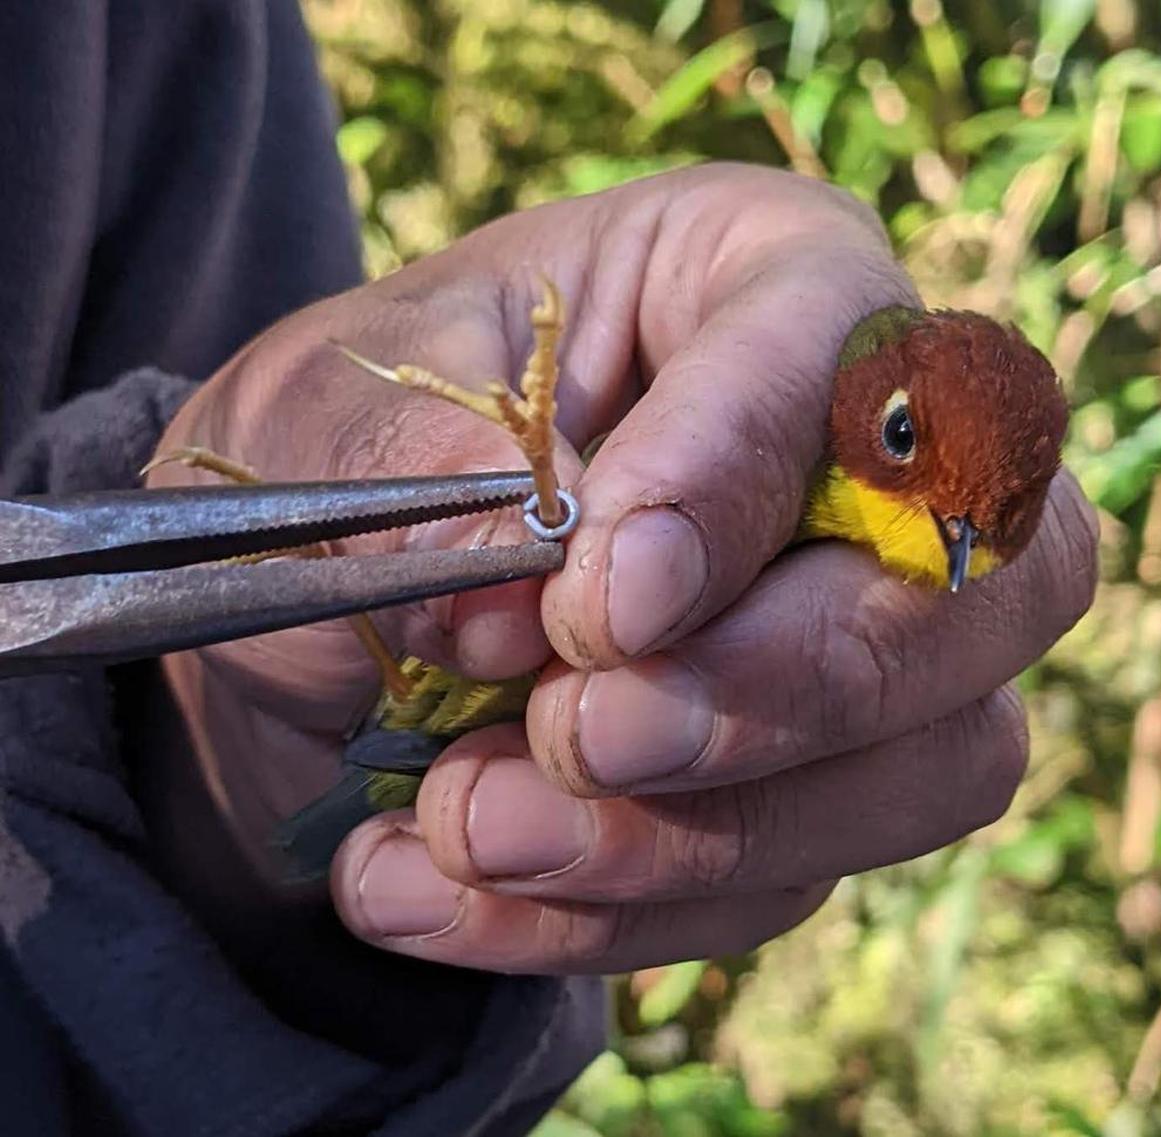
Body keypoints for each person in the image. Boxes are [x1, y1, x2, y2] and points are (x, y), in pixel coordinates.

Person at [0, 4, 1099, 1135]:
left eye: (993, 519)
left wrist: (203, 751)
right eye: (910, 449)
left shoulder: (161, 41)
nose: (950, 533)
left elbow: (154, 571)